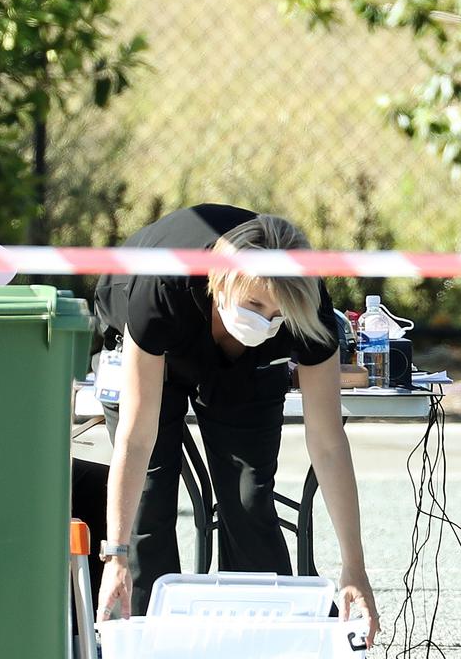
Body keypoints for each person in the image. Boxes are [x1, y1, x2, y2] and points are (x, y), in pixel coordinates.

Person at [92, 204, 378, 644]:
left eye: (277, 312)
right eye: (254, 304)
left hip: (248, 369)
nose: (265, 319)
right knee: (147, 505)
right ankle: (147, 640)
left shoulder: (307, 307)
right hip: (152, 336)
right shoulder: (163, 285)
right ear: (222, 279)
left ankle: (264, 643)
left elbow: (327, 441)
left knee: (249, 498)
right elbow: (137, 434)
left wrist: (353, 566)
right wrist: (115, 558)